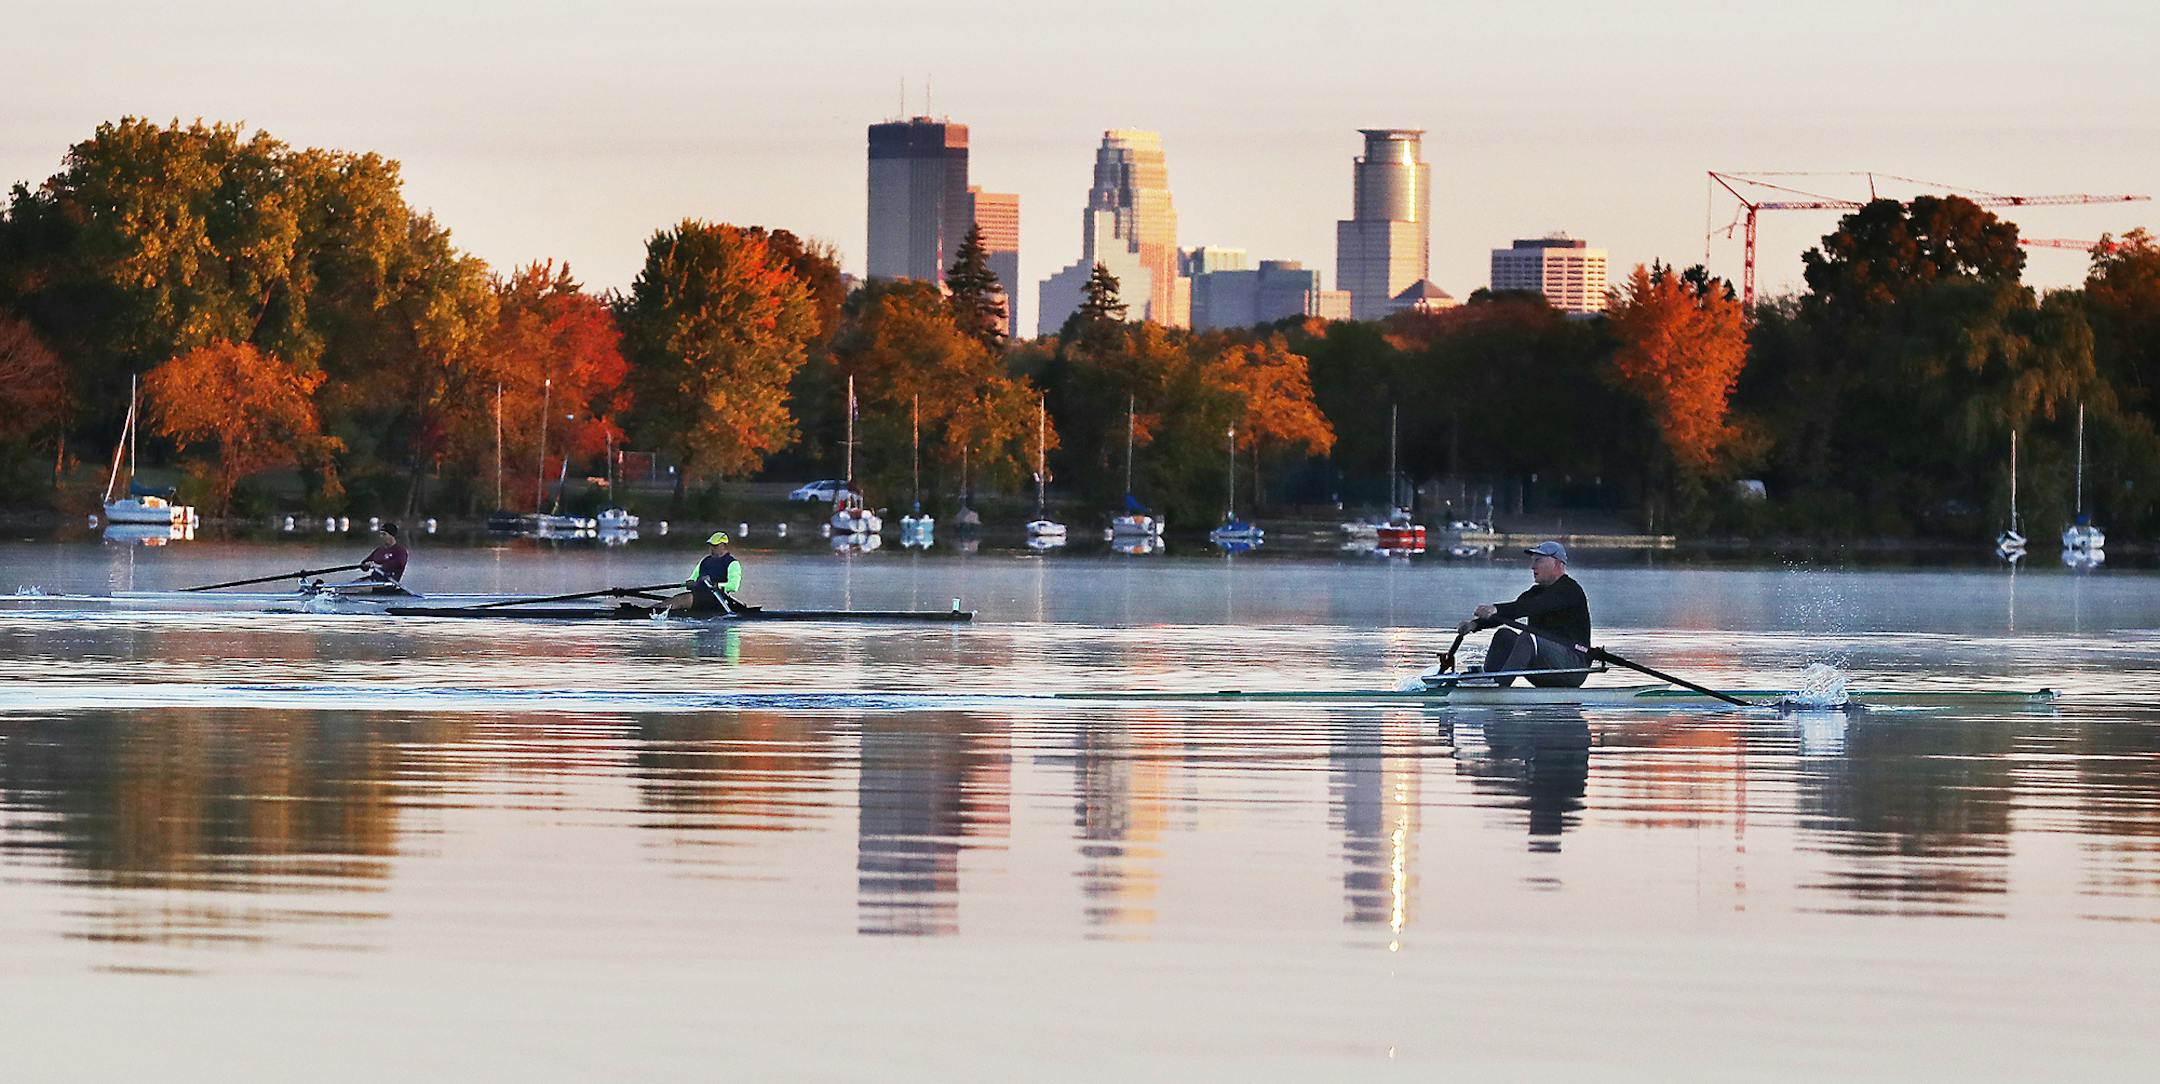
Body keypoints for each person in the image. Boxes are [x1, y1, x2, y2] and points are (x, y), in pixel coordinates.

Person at [1456, 540, 1592, 687]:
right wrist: (1475, 624)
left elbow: (1534, 606)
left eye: (1538, 560)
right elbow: (1514, 610)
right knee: (1504, 635)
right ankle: (1490, 680)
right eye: (1532, 561)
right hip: (1545, 667)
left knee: (1527, 638)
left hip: (1572, 668)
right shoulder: (1536, 592)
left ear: (1557, 564)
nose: (1532, 566)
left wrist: (1496, 608)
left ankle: (1498, 688)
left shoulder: (1569, 590)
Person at [661, 532, 744, 614]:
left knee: (681, 600)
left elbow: (734, 586)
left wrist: (715, 584)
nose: (711, 548)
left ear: (723, 545)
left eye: (715, 546)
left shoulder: (732, 563)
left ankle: (655, 613)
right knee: (672, 600)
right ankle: (652, 610)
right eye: (711, 546)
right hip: (699, 595)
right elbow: (693, 578)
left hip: (717, 598)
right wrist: (690, 582)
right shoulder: (705, 561)